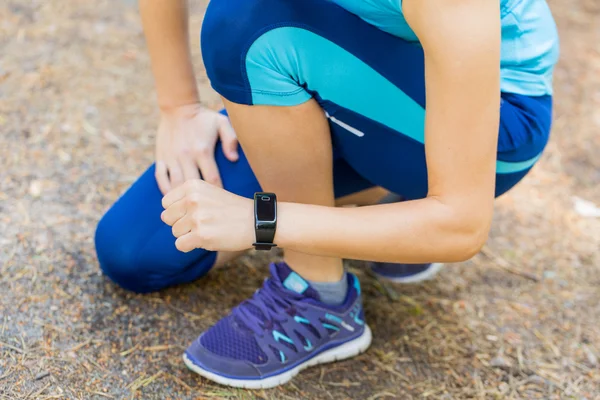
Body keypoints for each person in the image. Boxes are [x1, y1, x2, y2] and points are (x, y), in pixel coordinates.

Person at [95, 0, 559, 389]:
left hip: (492, 127)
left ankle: (316, 295)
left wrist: (261, 221)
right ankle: (376, 207)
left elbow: (462, 224)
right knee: (136, 248)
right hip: (345, 70)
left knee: (244, 23)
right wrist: (179, 107)